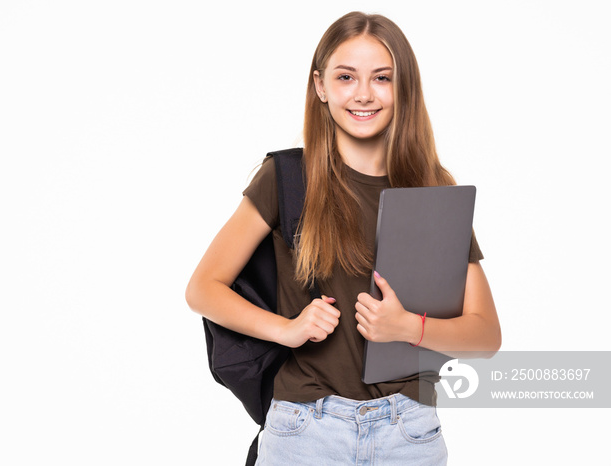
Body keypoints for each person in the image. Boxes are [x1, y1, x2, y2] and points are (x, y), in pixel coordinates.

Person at [186, 11, 501, 465]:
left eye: (382, 77)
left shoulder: (435, 189)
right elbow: (203, 289)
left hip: (408, 432)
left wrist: (409, 328)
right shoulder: (287, 178)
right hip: (304, 429)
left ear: (403, 87)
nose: (363, 94)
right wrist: (288, 330)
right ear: (320, 86)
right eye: (346, 76)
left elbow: (486, 336)